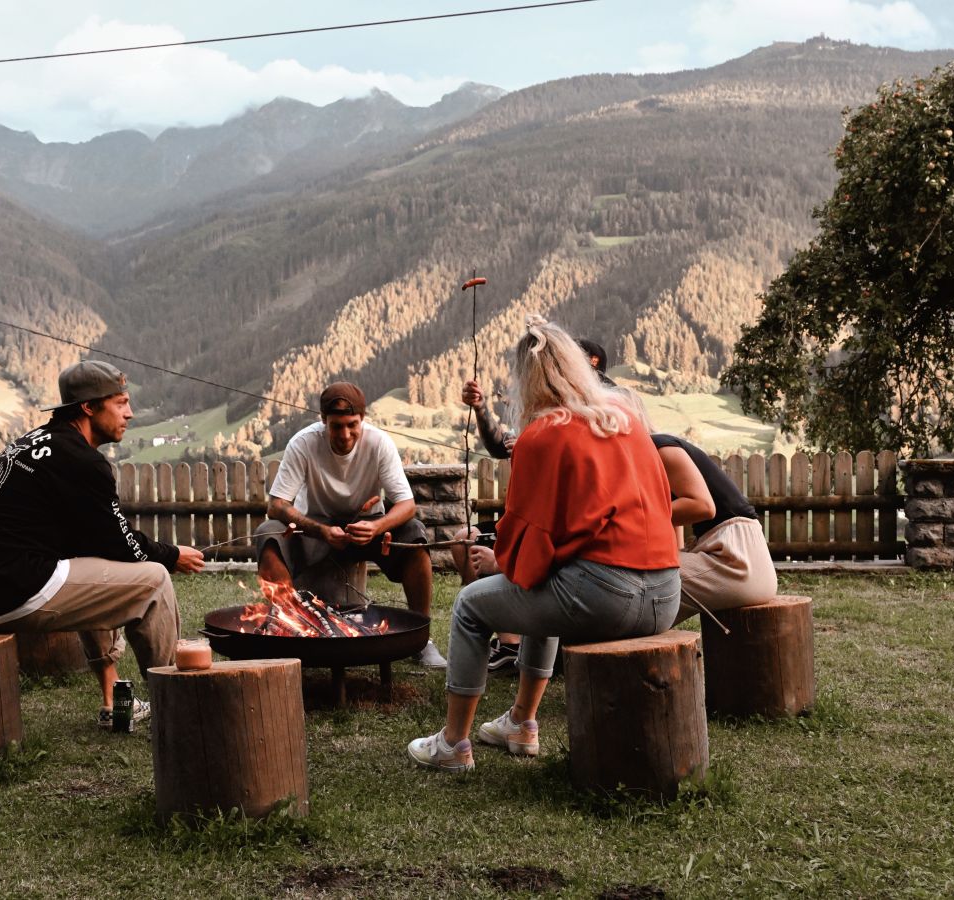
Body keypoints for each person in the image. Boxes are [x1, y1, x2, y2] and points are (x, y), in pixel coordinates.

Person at [408, 317, 680, 772]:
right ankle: (521, 722)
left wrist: (500, 560)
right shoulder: (626, 419)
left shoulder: (542, 434)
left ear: (525, 378)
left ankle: (453, 745)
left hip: (608, 596)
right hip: (666, 593)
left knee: (471, 607)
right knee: (544, 587)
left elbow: (529, 538)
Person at [0, 360, 205, 729]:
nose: (130, 414)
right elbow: (119, 543)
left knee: (92, 563)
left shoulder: (32, 442)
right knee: (153, 580)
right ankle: (175, 704)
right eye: (120, 403)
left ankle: (113, 698)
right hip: (13, 592)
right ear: (88, 406)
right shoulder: (81, 461)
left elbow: (96, 542)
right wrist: (170, 555)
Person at [451, 335, 615, 672]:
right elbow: (499, 446)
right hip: (546, 530)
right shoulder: (540, 416)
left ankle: (467, 718)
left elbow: (549, 527)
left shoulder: (597, 416)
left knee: (500, 584)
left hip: (567, 539)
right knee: (464, 540)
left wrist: (504, 563)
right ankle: (509, 644)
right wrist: (481, 409)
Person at [253, 382, 445, 668]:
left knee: (415, 534)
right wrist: (321, 531)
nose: (345, 435)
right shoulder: (303, 443)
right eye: (336, 426)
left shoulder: (379, 443)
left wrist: (377, 527)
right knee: (267, 535)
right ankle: (290, 631)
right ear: (323, 422)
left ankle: (421, 641)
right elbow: (277, 505)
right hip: (315, 527)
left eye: (352, 425)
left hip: (368, 527)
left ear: (363, 419)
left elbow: (407, 504)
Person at [613, 390, 778, 624]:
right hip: (739, 560)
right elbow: (672, 514)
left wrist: (630, 519)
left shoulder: (660, 447)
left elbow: (702, 506)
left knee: (625, 583)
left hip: (736, 560)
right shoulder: (650, 454)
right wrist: (675, 552)